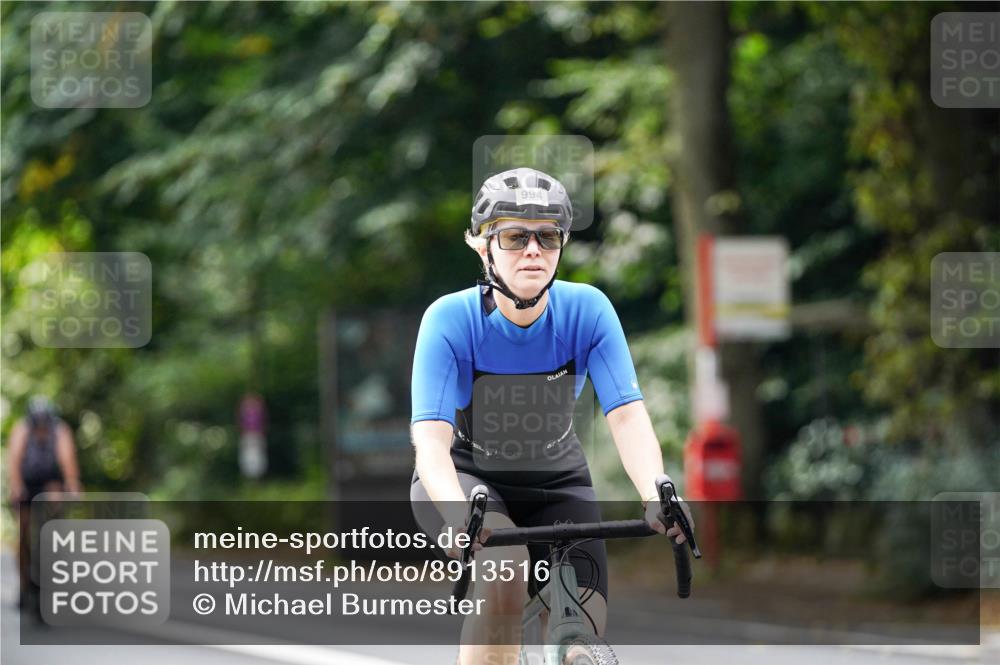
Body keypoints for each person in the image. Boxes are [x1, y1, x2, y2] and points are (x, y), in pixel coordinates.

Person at [409, 167, 693, 664]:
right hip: (469, 482)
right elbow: (431, 443)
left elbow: (626, 416)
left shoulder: (590, 310)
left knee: (583, 630)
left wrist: (655, 492)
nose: (534, 250)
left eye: (548, 236)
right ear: (483, 247)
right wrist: (458, 517)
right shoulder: (449, 320)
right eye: (516, 236)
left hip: (558, 481)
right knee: (505, 570)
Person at [6, 395, 82, 612]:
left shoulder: (59, 430)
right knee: (23, 532)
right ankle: (23, 585)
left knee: (54, 507)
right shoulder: (22, 430)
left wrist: (72, 484)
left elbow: (68, 461)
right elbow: (13, 460)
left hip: (49, 481)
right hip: (27, 482)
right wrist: (17, 486)